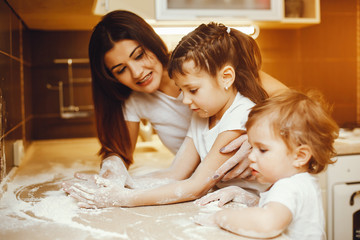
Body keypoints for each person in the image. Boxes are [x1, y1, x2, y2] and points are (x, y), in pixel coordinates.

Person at [65, 22, 277, 208]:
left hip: (271, 200)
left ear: (226, 78)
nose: (184, 100)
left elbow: (195, 187)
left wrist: (124, 198)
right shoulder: (202, 112)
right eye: (121, 69)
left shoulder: (238, 115)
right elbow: (175, 173)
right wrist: (116, 183)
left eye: (192, 90)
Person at [195, 89, 339, 239]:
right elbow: (275, 209)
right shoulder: (300, 182)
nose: (251, 156)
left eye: (262, 150)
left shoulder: (288, 187)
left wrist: (221, 217)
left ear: (300, 156)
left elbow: (267, 224)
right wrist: (240, 194)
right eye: (252, 147)